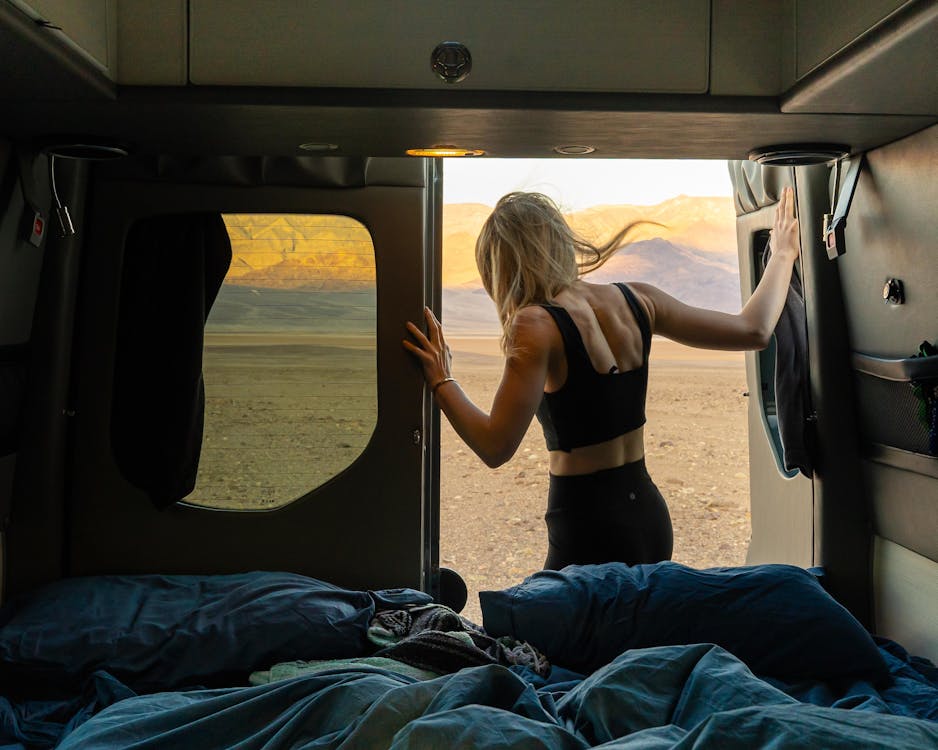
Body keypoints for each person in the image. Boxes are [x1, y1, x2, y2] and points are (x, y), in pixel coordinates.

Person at [403, 188, 801, 569]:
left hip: (587, 524)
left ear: (501, 265)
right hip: (648, 516)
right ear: (560, 243)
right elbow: (754, 329)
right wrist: (782, 253)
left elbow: (495, 446)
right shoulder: (638, 299)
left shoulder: (534, 325)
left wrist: (442, 380)